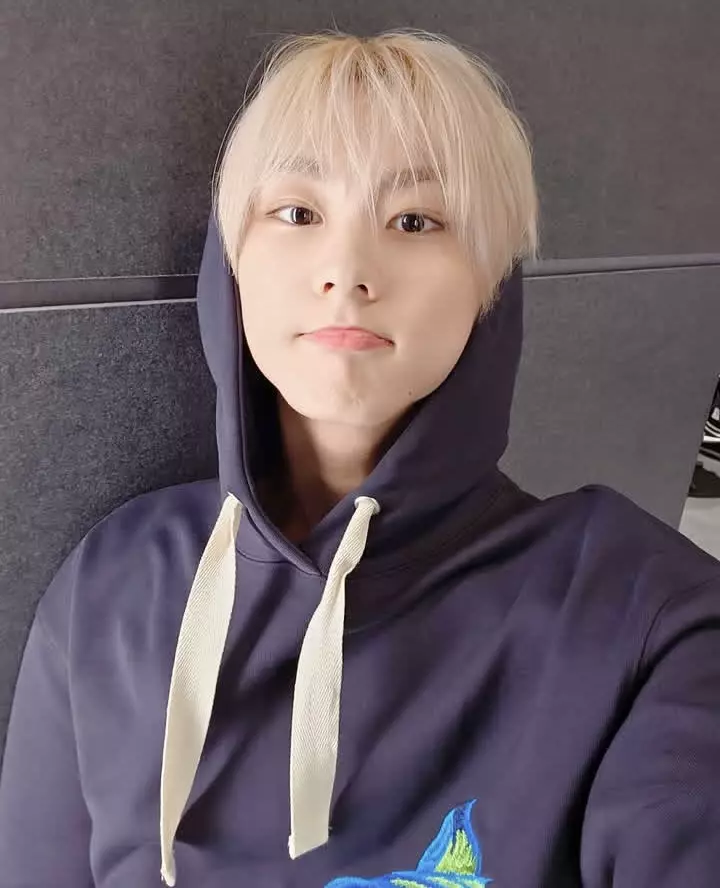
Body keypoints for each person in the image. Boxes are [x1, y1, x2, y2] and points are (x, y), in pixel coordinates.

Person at [1, 26, 719, 888]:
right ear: (232, 262)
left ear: (491, 283)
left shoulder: (646, 617)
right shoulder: (114, 583)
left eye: (415, 220)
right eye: (298, 213)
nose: (346, 270)